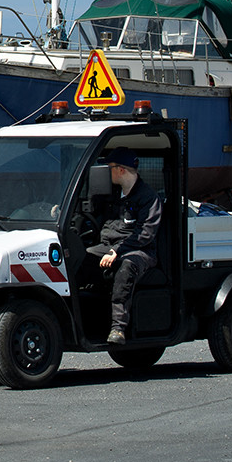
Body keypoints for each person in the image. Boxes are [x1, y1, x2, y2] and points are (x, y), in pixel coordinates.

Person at [86, 146, 162, 344]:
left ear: (120, 170)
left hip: (139, 250)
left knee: (126, 267)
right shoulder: (111, 194)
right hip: (110, 246)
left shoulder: (148, 197)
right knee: (83, 257)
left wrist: (117, 251)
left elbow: (145, 234)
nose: (107, 172)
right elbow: (92, 213)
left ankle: (118, 328)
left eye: (109, 167)